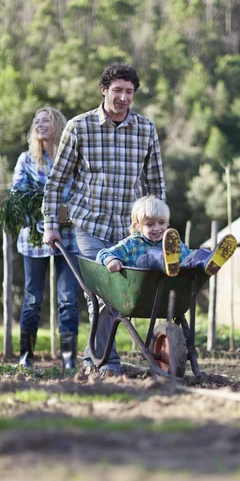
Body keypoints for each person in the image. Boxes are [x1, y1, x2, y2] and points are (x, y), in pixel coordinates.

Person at [42, 62, 166, 378]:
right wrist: (50, 224)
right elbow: (57, 180)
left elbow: (155, 182)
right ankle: (107, 363)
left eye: (129, 92)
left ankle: (92, 358)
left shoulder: (145, 129)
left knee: (116, 296)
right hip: (90, 225)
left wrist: (160, 225)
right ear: (104, 90)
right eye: (117, 91)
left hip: (129, 230)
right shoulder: (79, 127)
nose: (123, 97)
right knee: (100, 294)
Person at [11, 107, 79, 370]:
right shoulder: (26, 160)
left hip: (69, 238)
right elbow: (18, 195)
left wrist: (66, 214)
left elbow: (80, 194)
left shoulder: (71, 160)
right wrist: (46, 211)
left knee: (67, 299)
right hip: (34, 238)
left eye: (46, 120)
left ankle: (69, 360)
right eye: (36, 121)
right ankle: (26, 358)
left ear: (58, 126)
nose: (40, 124)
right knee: (32, 298)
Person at [97, 195, 237, 277]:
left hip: (168, 288)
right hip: (145, 285)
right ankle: (165, 261)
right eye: (150, 224)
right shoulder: (132, 244)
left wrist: (198, 256)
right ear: (137, 226)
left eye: (161, 223)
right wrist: (111, 260)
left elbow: (187, 256)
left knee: (194, 255)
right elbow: (103, 253)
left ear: (168, 223)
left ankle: (208, 260)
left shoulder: (171, 242)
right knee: (153, 255)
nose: (157, 228)